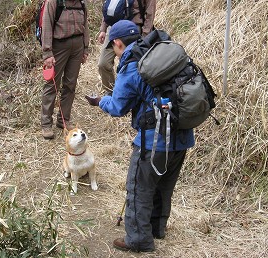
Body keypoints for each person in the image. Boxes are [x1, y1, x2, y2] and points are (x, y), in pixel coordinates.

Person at [85, 20, 195, 252]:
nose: (113, 55)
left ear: (117, 43)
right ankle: (156, 228)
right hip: (183, 135)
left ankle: (138, 239)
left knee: (139, 187)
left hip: (153, 141)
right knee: (163, 185)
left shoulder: (132, 66)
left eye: (112, 49)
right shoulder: (160, 56)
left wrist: (99, 101)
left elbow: (117, 107)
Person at [41, 0, 89, 139]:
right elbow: (47, 26)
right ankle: (46, 124)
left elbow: (85, 25)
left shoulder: (81, 3)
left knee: (70, 84)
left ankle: (63, 120)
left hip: (77, 46)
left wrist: (85, 48)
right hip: (58, 46)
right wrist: (47, 53)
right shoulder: (53, 2)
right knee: (52, 85)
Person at [97, 0, 156, 94]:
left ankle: (128, 97)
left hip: (133, 29)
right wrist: (103, 29)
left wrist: (145, 36)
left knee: (130, 66)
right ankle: (111, 94)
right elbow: (109, 6)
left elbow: (150, 13)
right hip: (114, 28)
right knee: (103, 64)